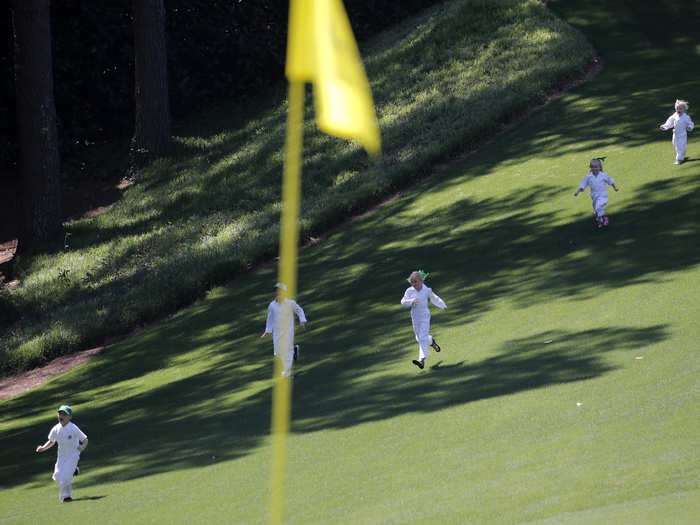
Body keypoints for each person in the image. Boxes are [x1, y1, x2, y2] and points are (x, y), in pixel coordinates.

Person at [35, 405, 88, 503]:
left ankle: (66, 497)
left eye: (64, 414)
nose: (61, 416)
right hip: (62, 456)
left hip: (73, 455)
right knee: (58, 476)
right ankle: (74, 470)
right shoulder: (56, 429)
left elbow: (85, 439)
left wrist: (82, 447)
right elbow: (51, 441)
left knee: (65, 477)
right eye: (60, 413)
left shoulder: (73, 428)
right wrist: (43, 448)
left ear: (70, 417)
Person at [400, 270, 447, 369]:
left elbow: (435, 298)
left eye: (416, 282)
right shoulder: (409, 291)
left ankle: (421, 360)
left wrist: (443, 305)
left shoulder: (427, 290)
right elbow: (403, 301)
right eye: (412, 282)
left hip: (425, 316)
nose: (414, 284)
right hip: (415, 316)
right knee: (419, 337)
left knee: (421, 337)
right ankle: (431, 341)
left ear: (421, 281)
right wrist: (411, 301)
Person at [261, 283, 307, 377]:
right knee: (278, 352)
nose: (278, 292)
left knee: (288, 350)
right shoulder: (272, 305)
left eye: (280, 291)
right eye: (277, 290)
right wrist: (267, 331)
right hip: (277, 332)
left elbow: (299, 310)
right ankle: (295, 350)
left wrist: (302, 321)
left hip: (288, 331)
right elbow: (270, 318)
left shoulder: (290, 303)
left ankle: (287, 373)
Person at [574, 157, 619, 228]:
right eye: (592, 167)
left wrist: (615, 188)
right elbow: (583, 185)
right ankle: (601, 220)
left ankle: (603, 219)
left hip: (603, 195)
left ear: (599, 167)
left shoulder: (603, 175)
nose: (594, 169)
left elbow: (610, 181)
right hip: (594, 196)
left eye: (596, 167)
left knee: (598, 207)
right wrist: (577, 192)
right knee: (596, 210)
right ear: (590, 167)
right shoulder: (588, 177)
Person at [660, 99, 694, 164]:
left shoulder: (686, 117)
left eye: (680, 109)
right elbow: (670, 122)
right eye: (677, 108)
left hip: (682, 135)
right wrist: (665, 126)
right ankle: (681, 154)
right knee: (675, 145)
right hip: (675, 135)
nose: (678, 110)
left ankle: (679, 159)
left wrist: (690, 127)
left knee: (681, 146)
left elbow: (691, 123)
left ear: (684, 109)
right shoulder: (675, 115)